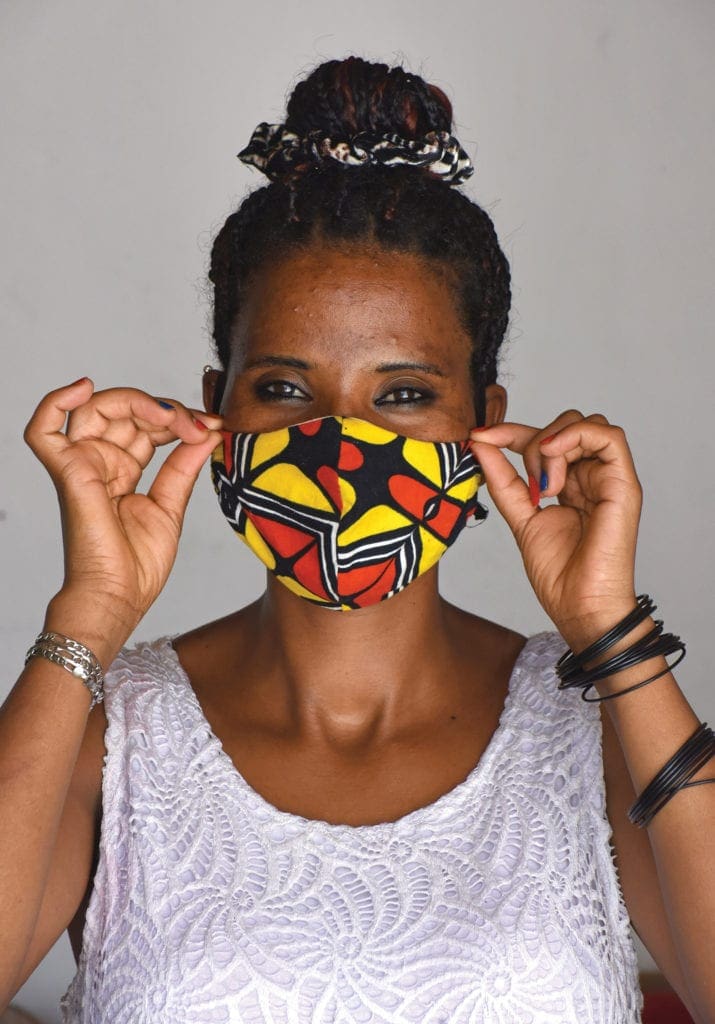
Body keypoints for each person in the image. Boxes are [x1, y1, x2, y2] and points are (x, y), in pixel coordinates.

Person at [1, 55, 713, 1024]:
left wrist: (610, 626)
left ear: (484, 419)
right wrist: (87, 611)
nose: (339, 449)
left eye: (405, 395)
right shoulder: (111, 734)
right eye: (286, 391)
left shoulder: (591, 727)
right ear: (216, 412)